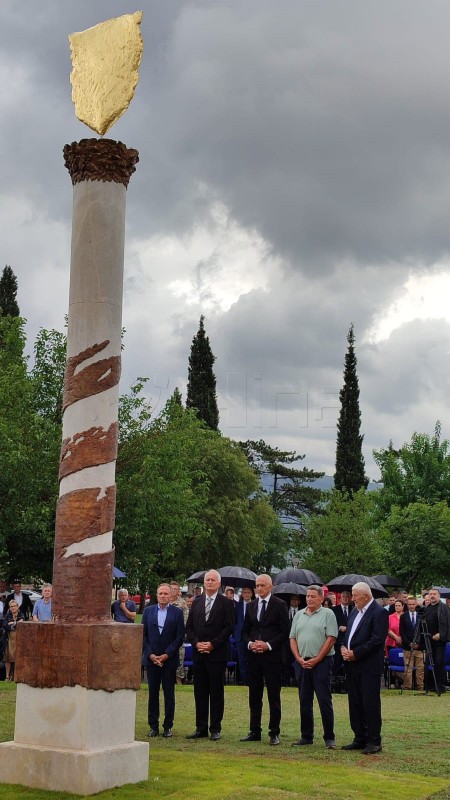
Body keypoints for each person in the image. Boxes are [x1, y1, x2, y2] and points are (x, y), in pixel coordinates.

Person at [240, 574, 290, 746]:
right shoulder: (252, 605)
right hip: (253, 657)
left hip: (272, 657)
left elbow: (285, 632)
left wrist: (268, 645)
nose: (259, 588)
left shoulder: (280, 605)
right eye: (257, 585)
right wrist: (250, 644)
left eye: (262, 585)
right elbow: (245, 631)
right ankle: (254, 730)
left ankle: (274, 732)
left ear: (270, 587)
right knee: (254, 695)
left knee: (273, 696)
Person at [185, 569, 235, 740]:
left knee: (216, 692)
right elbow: (189, 627)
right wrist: (197, 643)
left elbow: (229, 627)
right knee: (199, 692)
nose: (210, 582)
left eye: (213, 580)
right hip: (199, 654)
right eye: (207, 580)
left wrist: (212, 644)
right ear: (204, 582)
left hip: (216, 655)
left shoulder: (226, 603)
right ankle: (201, 728)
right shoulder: (197, 602)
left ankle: (215, 728)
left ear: (219, 583)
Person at [341, 581, 389, 755]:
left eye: (355, 595)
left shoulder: (379, 613)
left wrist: (356, 653)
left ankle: (374, 740)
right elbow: (348, 635)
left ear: (366, 596)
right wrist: (344, 648)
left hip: (368, 666)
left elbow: (377, 640)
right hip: (352, 665)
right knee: (355, 703)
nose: (352, 598)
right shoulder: (355, 611)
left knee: (370, 703)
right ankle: (359, 737)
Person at [290, 585, 338, 749]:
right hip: (302, 662)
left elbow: (331, 638)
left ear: (321, 598)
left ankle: (329, 737)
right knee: (304, 699)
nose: (309, 599)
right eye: (307, 596)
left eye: (313, 596)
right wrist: (298, 658)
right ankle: (306, 735)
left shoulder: (328, 614)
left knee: (324, 699)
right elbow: (292, 638)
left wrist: (317, 659)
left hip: (322, 662)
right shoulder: (299, 614)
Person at [142, 583, 185, 738]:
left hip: (169, 660)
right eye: (160, 593)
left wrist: (166, 654)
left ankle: (168, 726)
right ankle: (153, 726)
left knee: (169, 694)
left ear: (171, 595)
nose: (163, 596)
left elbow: (180, 637)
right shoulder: (148, 612)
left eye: (166, 594)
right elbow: (143, 635)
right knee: (153, 694)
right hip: (152, 660)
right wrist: (151, 655)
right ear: (156, 594)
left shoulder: (177, 613)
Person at [424, 587, 450, 694]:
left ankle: (439, 686)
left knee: (439, 663)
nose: (432, 596)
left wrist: (441, 634)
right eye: (431, 594)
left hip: (439, 641)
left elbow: (448, 624)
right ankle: (429, 685)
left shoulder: (443, 608)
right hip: (428, 641)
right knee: (429, 663)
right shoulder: (427, 608)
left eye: (434, 594)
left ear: (439, 596)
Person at [400, 595, 424, 691]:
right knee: (408, 668)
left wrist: (419, 643)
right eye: (409, 604)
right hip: (407, 647)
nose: (411, 606)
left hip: (420, 647)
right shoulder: (403, 616)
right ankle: (407, 687)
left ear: (416, 604)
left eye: (413, 604)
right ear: (407, 605)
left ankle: (420, 687)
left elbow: (423, 631)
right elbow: (402, 632)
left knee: (420, 669)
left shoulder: (421, 616)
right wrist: (409, 643)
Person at [234, 586, 255, 685]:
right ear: (242, 594)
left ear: (251, 594)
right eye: (244, 593)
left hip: (251, 637)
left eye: (248, 592)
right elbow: (234, 621)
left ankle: (252, 680)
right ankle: (244, 680)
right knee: (241, 660)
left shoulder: (255, 604)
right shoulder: (237, 606)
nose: (246, 594)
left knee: (251, 660)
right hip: (239, 637)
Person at [170, 581, 188, 685]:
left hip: (178, 637)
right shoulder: (165, 602)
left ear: (178, 592)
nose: (173, 591)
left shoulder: (182, 604)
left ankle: (179, 681)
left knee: (179, 660)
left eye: (175, 589)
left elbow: (185, 621)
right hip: (165, 638)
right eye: (171, 589)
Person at [3, 599, 25, 680]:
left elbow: (22, 625)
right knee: (7, 658)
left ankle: (15, 676)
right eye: (11, 606)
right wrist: (15, 624)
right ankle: (7, 676)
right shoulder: (7, 615)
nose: (13, 608)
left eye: (14, 606)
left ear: (18, 607)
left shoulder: (21, 614)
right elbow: (4, 625)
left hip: (18, 639)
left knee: (17, 658)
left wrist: (12, 623)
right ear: (9, 608)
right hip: (9, 639)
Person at [332, 590, 352, 676]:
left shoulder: (354, 609)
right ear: (340, 598)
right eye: (343, 597)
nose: (345, 599)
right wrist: (339, 627)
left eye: (347, 597)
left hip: (350, 641)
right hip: (337, 641)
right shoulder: (334, 610)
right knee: (336, 664)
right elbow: (330, 624)